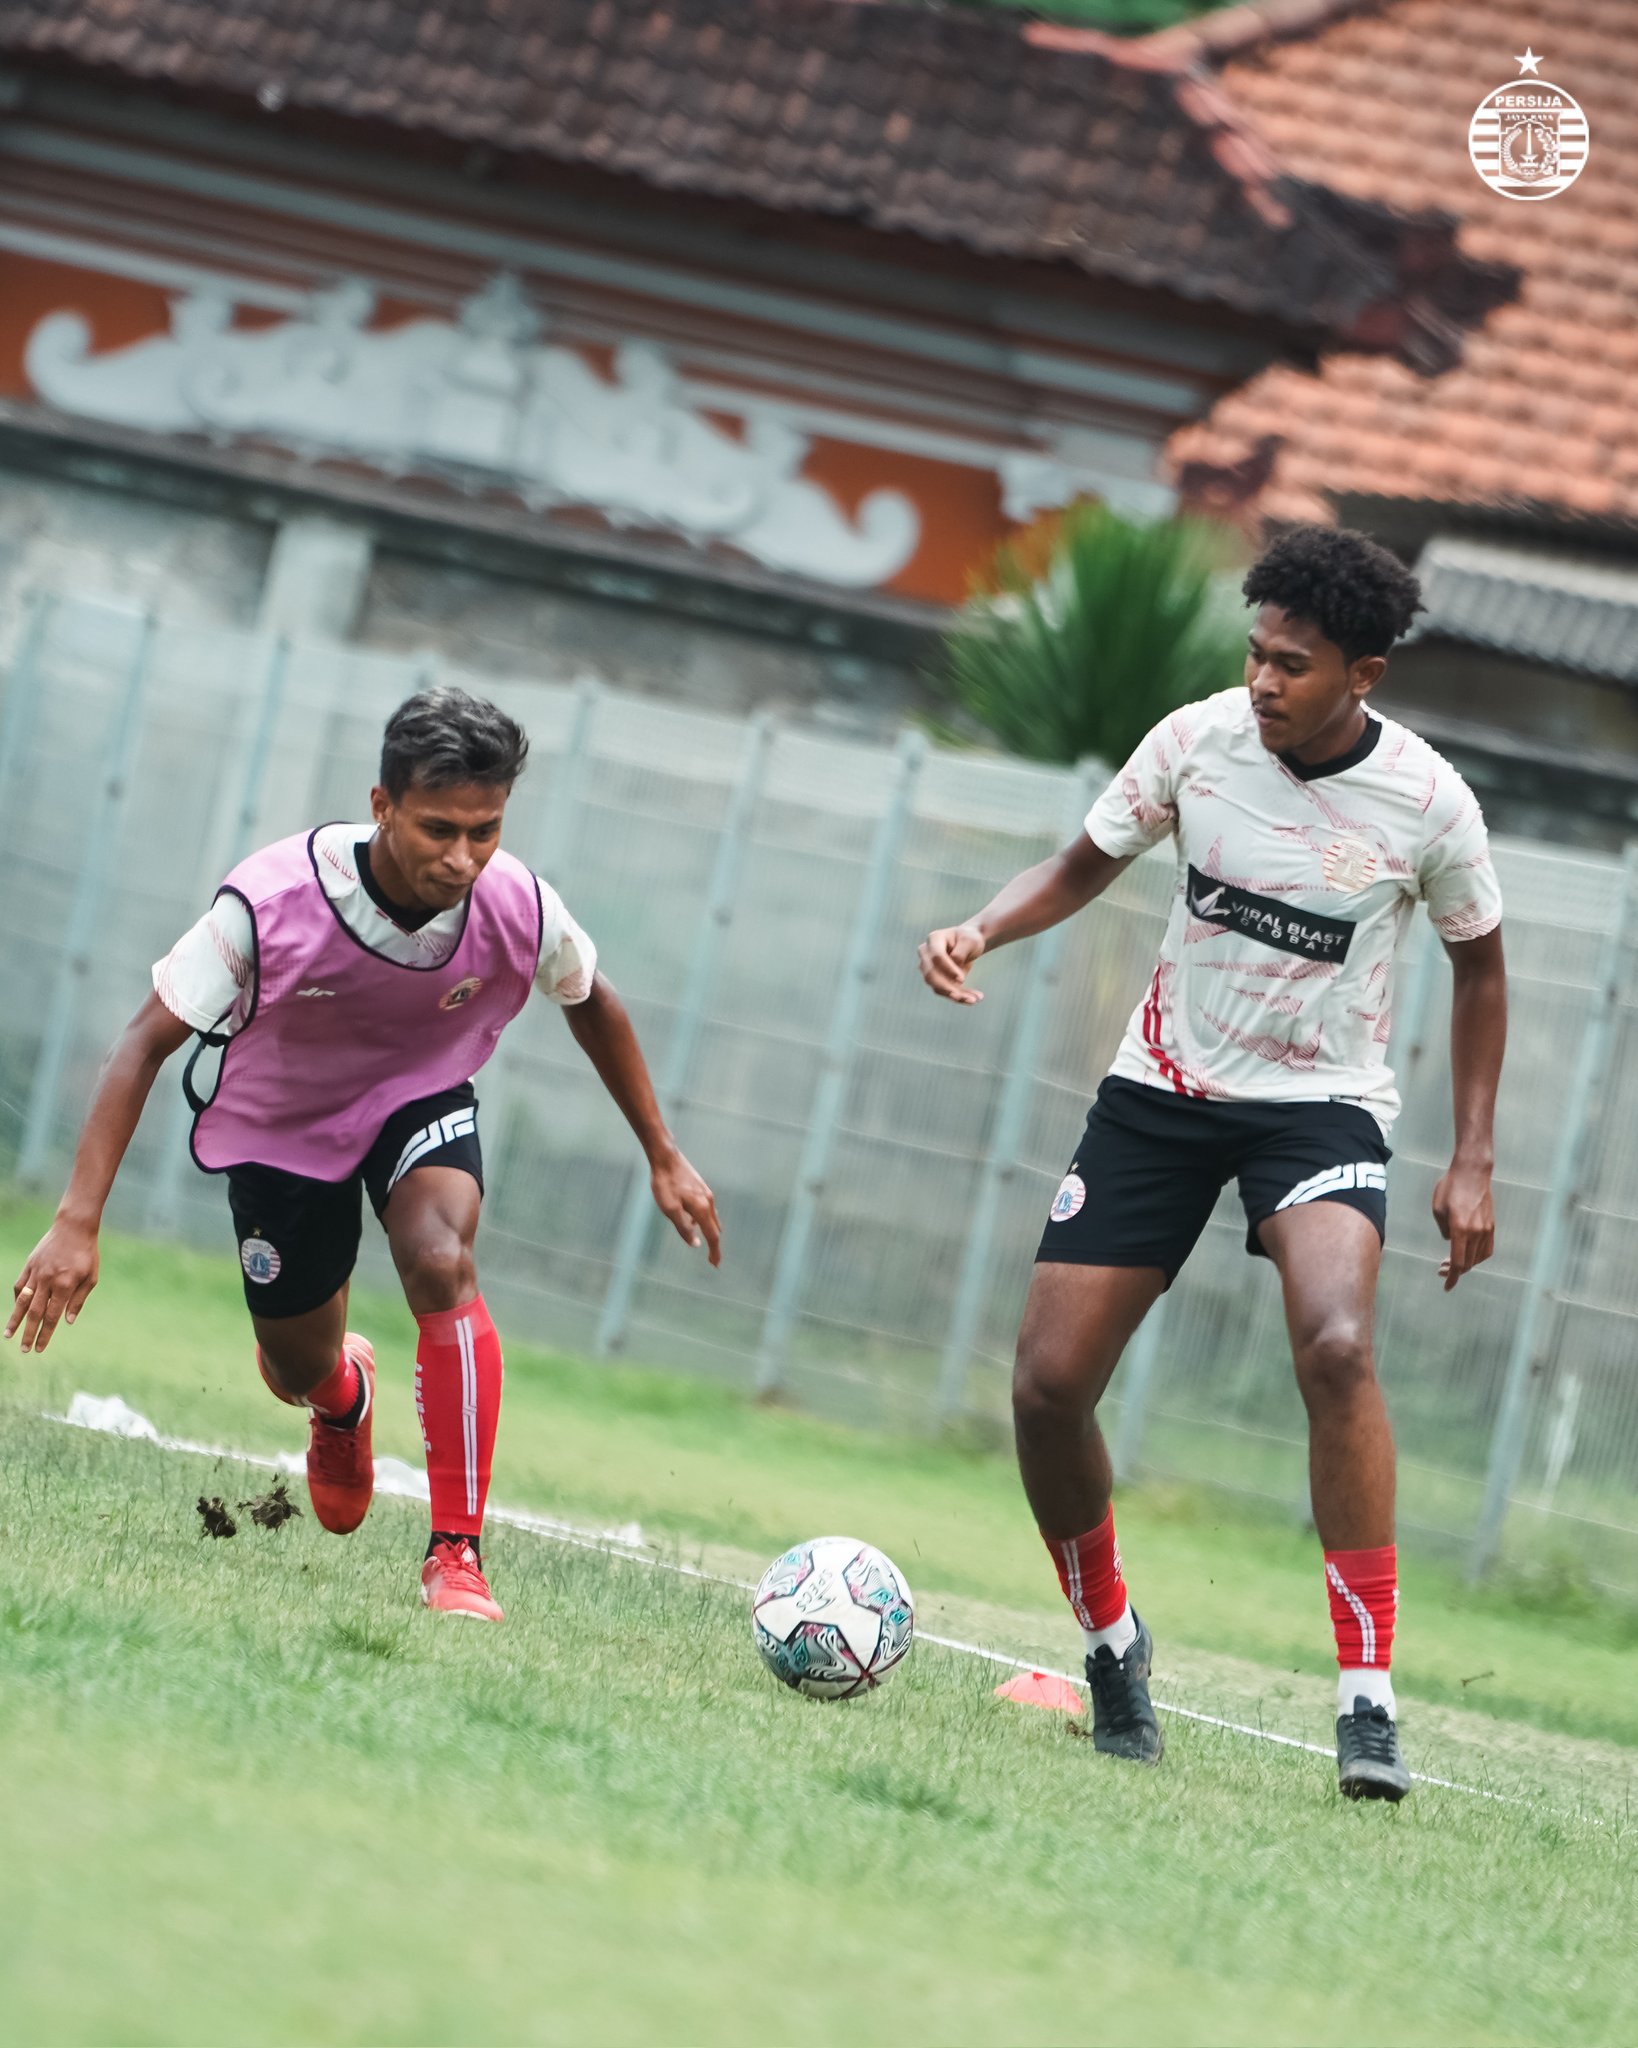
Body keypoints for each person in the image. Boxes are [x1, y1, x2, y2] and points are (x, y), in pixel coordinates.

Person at [918, 526, 1506, 1800]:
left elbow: (1481, 966)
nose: (1262, 680)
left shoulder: (1428, 802)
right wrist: (981, 927)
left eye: (1293, 663)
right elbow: (1081, 865)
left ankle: (1367, 1701)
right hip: (1161, 1096)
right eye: (1256, 653)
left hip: (1319, 1110)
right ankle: (1111, 1643)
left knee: (1336, 1343)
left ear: (1364, 674)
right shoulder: (1196, 743)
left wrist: (1473, 1155)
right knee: (1046, 1387)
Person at [6, 686, 721, 1623]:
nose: (463, 858)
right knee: (292, 1366)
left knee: (440, 1257)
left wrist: (663, 1153)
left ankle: (456, 1553)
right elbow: (140, 1045)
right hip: (284, 1124)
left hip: (418, 1093)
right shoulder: (272, 902)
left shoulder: (518, 903)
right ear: (382, 805)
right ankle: (340, 1395)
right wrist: (77, 1221)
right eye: (438, 830)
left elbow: (593, 1000)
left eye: (486, 831)